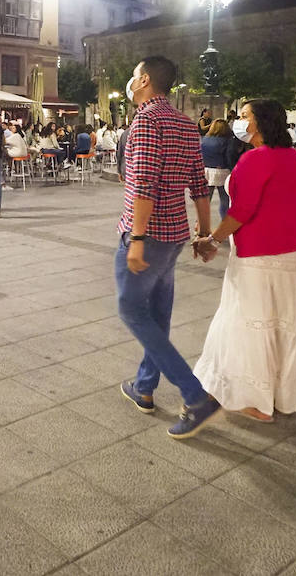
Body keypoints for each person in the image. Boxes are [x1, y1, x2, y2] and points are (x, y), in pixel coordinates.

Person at [115, 57, 221, 439]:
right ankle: (144, 386)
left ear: (144, 80)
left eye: (132, 75)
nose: (130, 82)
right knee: (158, 314)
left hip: (149, 234)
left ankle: (196, 397)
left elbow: (142, 184)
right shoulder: (184, 123)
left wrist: (137, 240)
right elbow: (199, 183)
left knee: (130, 308)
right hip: (175, 233)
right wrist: (204, 234)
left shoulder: (146, 121)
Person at [190, 99, 296, 423]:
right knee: (280, 326)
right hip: (293, 254)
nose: (238, 122)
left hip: (257, 255)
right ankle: (278, 394)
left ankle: (251, 399)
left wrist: (211, 239)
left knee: (247, 325)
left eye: (244, 117)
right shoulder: (294, 158)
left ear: (261, 123)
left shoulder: (255, 159)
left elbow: (241, 211)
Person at [201, 118, 239, 219]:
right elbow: (229, 156)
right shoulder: (228, 141)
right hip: (222, 171)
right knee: (224, 200)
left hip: (207, 171)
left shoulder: (205, 139)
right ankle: (224, 221)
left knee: (206, 199)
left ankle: (200, 224)